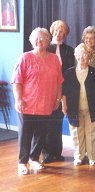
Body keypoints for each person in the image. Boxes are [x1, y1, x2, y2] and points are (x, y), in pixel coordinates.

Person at [11, 27, 63, 175]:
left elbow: (59, 82)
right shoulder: (25, 57)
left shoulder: (54, 59)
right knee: (25, 135)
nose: (39, 41)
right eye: (36, 38)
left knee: (41, 135)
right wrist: (18, 99)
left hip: (46, 104)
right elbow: (17, 81)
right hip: (27, 104)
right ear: (31, 40)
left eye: (43, 38)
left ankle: (34, 159)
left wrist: (58, 99)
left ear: (48, 41)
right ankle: (22, 162)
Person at [62, 43, 95, 166]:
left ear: (89, 57)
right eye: (79, 55)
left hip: (92, 109)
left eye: (84, 55)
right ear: (75, 56)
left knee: (92, 134)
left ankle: (92, 157)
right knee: (77, 134)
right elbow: (64, 91)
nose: (81, 57)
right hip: (74, 109)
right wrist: (63, 105)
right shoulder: (68, 73)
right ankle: (78, 157)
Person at [41, 20, 75, 164]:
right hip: (46, 89)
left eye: (62, 31)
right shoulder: (45, 48)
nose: (58, 33)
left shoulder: (69, 50)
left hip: (62, 90)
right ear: (52, 31)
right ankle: (46, 153)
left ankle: (56, 152)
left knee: (57, 122)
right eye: (56, 30)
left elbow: (70, 70)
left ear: (65, 34)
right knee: (46, 123)